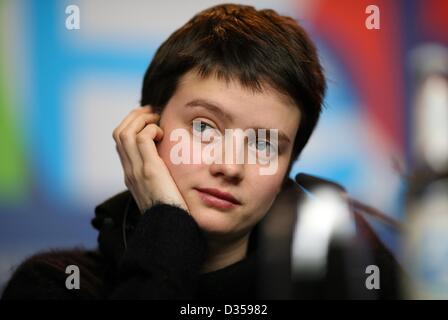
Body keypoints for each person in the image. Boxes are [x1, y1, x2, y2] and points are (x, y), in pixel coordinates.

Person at [2, 3, 398, 300]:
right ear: (146, 130)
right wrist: (167, 222)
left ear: (286, 170)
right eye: (205, 128)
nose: (229, 166)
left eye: (264, 144)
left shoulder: (338, 288)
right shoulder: (55, 284)